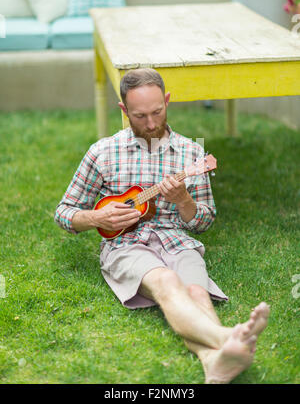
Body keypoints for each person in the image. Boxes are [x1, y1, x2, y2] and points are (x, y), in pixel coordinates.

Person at [55, 68, 270, 384]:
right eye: (140, 116)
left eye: (158, 111)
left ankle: (213, 361)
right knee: (167, 281)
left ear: (167, 100)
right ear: (123, 110)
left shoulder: (192, 153)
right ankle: (227, 338)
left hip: (177, 240)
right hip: (124, 245)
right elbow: (63, 212)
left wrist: (184, 200)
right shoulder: (102, 152)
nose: (152, 124)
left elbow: (204, 221)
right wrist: (96, 218)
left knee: (196, 291)